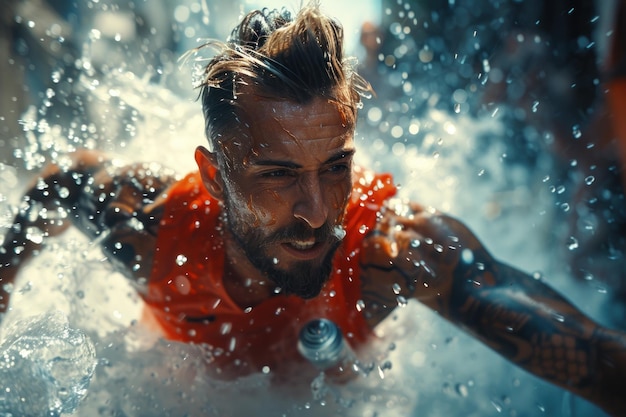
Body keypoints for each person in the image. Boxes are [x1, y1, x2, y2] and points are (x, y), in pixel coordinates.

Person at [0, 2, 625, 415]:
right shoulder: (153, 230)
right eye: (277, 176)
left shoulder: (393, 252)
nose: (316, 211)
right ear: (215, 178)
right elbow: (59, 184)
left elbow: (594, 356)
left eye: (335, 168)